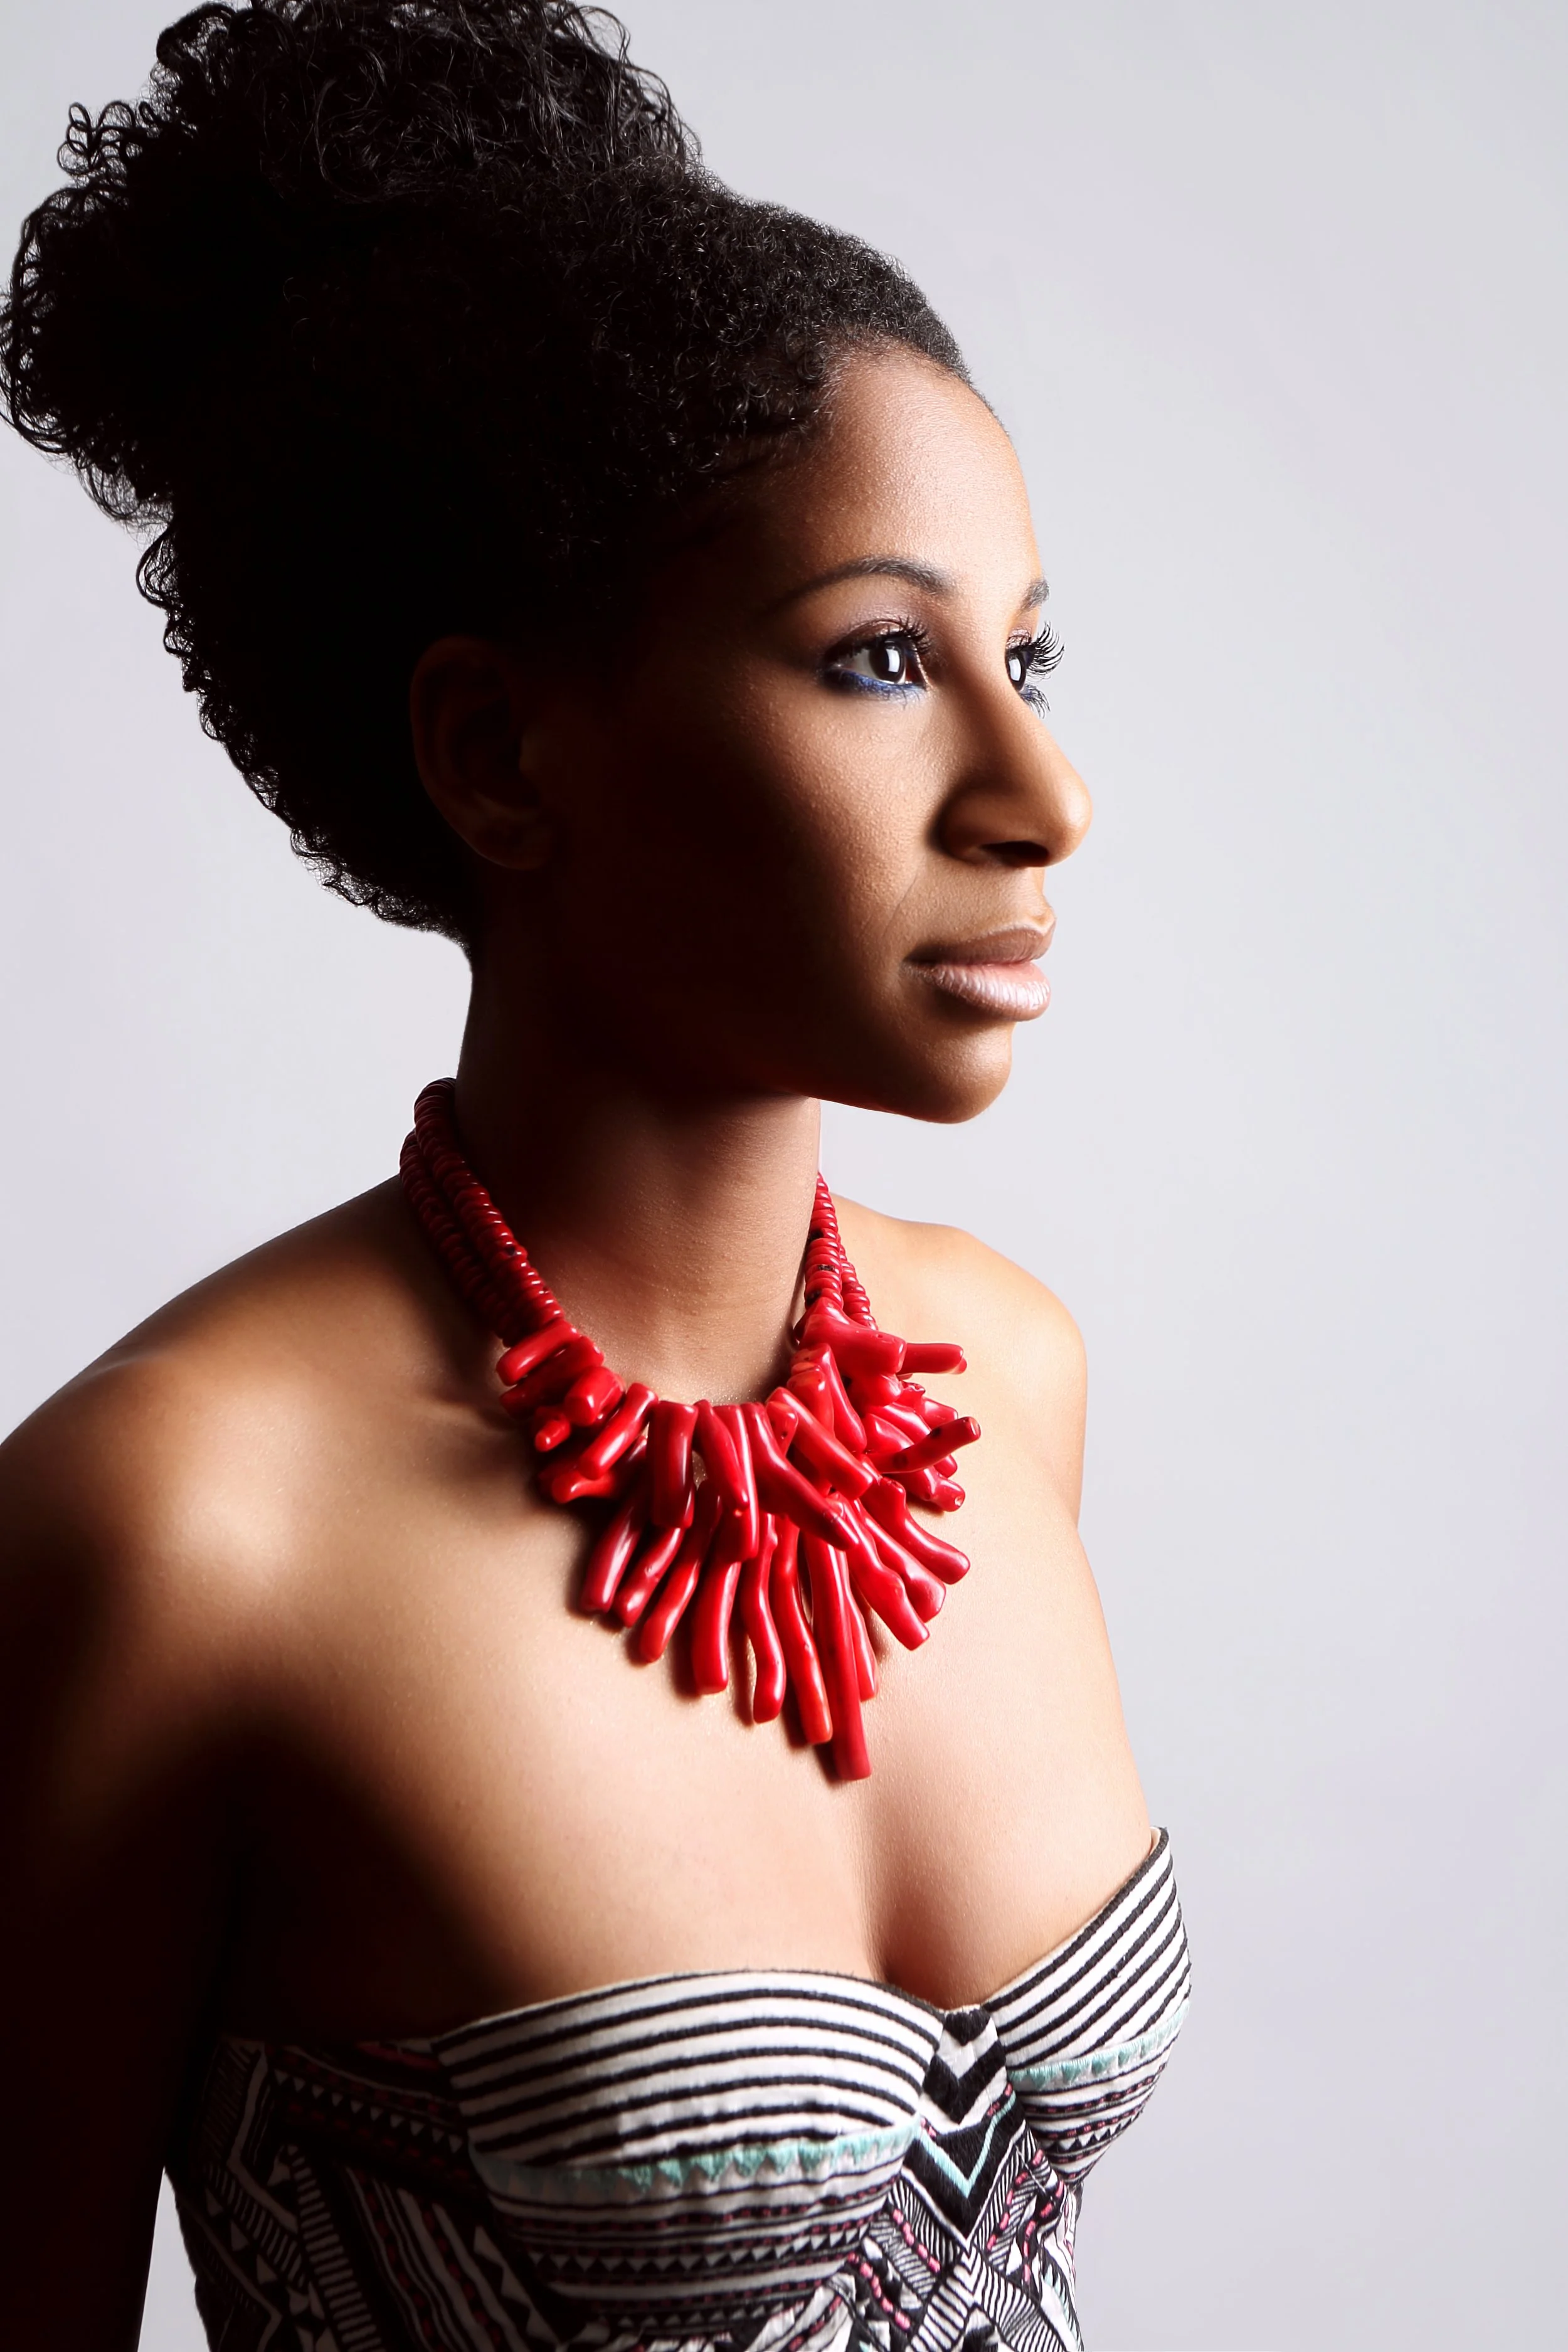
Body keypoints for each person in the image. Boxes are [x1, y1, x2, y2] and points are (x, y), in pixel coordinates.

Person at [0, 4, 1190, 2346]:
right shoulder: (173, 1535)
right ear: (496, 751)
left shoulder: (1003, 1374)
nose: (1038, 796)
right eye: (878, 658)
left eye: (1027, 658)